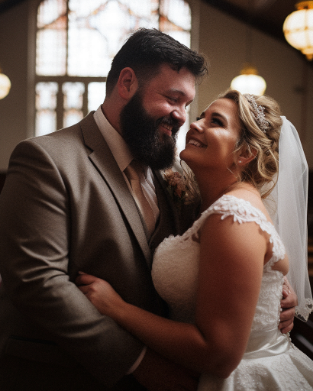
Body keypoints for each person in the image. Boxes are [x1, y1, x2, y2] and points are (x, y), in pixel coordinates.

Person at [0, 28, 207, 391]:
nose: (181, 116)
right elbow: (38, 282)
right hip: (63, 376)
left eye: (187, 105)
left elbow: (210, 240)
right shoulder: (46, 158)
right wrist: (142, 364)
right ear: (127, 82)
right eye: (173, 99)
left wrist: (268, 282)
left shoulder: (172, 171)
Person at [76, 90, 313, 390]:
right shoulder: (208, 201)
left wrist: (117, 308)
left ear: (244, 154)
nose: (195, 124)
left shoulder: (233, 213)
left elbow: (218, 354)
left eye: (216, 122)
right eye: (201, 116)